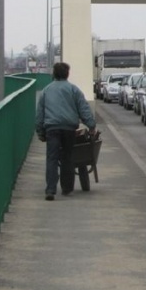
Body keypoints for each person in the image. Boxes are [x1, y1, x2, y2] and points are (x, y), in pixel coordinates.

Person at [35, 62, 96, 201]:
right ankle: (67, 188)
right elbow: (84, 109)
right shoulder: (73, 89)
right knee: (67, 157)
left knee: (52, 158)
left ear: (54, 74)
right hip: (69, 129)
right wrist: (91, 125)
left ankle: (50, 189)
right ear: (67, 74)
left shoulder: (46, 90)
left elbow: (40, 113)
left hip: (52, 128)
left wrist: (40, 131)